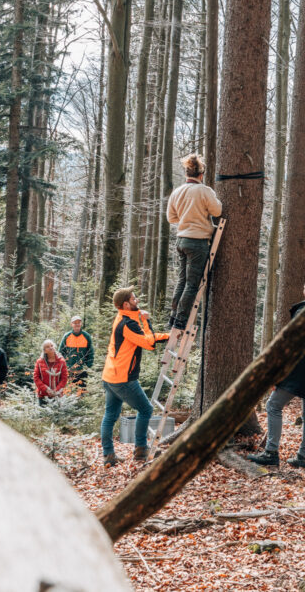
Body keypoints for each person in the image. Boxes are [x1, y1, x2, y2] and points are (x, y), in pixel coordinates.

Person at [247, 274, 305, 469]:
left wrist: (277, 374)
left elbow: (291, 344)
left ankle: (271, 452)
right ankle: (302, 457)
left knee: (273, 405)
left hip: (299, 371)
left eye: (304, 287)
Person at [100, 287, 170, 466]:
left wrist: (169, 336)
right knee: (146, 410)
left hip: (110, 376)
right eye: (134, 298)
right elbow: (149, 343)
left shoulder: (124, 318)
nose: (137, 300)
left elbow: (145, 338)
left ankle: (108, 456)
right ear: (126, 304)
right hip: (122, 379)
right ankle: (140, 450)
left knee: (110, 415)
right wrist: (146, 322)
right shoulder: (127, 324)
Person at [166, 153, 222, 337]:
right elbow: (217, 210)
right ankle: (181, 320)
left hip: (181, 240)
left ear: (187, 173)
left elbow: (171, 217)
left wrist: (186, 218)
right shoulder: (204, 191)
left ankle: (174, 318)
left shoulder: (177, 192)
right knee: (191, 284)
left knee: (182, 281)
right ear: (201, 174)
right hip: (197, 242)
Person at [59, 316, 94, 389]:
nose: (77, 324)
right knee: (68, 391)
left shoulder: (86, 336)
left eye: (78, 323)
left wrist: (88, 366)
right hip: (69, 370)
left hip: (82, 370)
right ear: (71, 324)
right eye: (75, 323)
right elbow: (61, 352)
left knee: (82, 391)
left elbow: (90, 352)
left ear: (81, 324)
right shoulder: (67, 336)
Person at [34, 340, 68, 404]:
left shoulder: (61, 361)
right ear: (44, 350)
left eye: (52, 346)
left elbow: (64, 378)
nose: (51, 347)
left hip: (58, 395)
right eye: (47, 347)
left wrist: (56, 390)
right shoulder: (39, 362)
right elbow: (36, 378)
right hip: (43, 395)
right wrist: (46, 389)